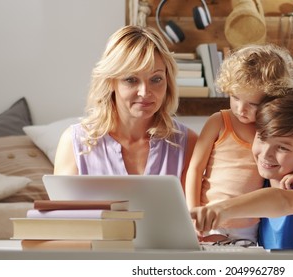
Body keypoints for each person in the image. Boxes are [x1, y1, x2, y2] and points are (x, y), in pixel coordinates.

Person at [190, 87, 293, 250]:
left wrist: (221, 209)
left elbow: (283, 202)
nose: (266, 154)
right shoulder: (260, 186)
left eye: (282, 148)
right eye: (261, 138)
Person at [54, 25, 197, 189]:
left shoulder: (188, 143)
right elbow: (62, 213)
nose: (144, 92)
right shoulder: (75, 143)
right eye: (131, 79)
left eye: (156, 79)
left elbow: (194, 213)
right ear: (110, 82)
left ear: (167, 81)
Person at [185, 44, 293, 243]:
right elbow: (195, 169)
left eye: (253, 104)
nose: (241, 109)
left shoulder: (272, 131)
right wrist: (192, 213)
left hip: (249, 225)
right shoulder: (218, 122)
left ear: (272, 99)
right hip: (210, 218)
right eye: (235, 97)